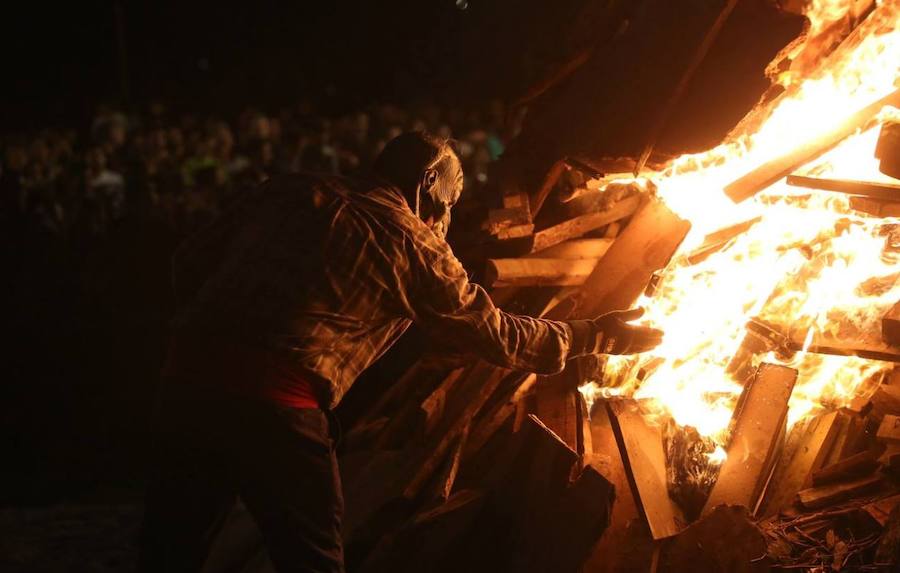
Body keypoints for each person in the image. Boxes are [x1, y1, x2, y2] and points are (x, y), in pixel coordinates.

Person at [138, 131, 663, 573]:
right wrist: (594, 335)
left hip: (183, 387)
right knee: (312, 558)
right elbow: (497, 334)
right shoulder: (411, 242)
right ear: (426, 182)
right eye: (448, 202)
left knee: (171, 548)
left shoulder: (288, 192)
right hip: (277, 410)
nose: (446, 217)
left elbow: (189, 261)